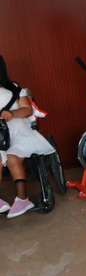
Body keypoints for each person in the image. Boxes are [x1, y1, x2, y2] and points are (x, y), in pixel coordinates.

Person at [0, 55, 55, 218]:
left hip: (19, 132)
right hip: (0, 136)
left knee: (12, 157)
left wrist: (12, 113)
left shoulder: (15, 88)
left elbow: (27, 110)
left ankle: (23, 199)